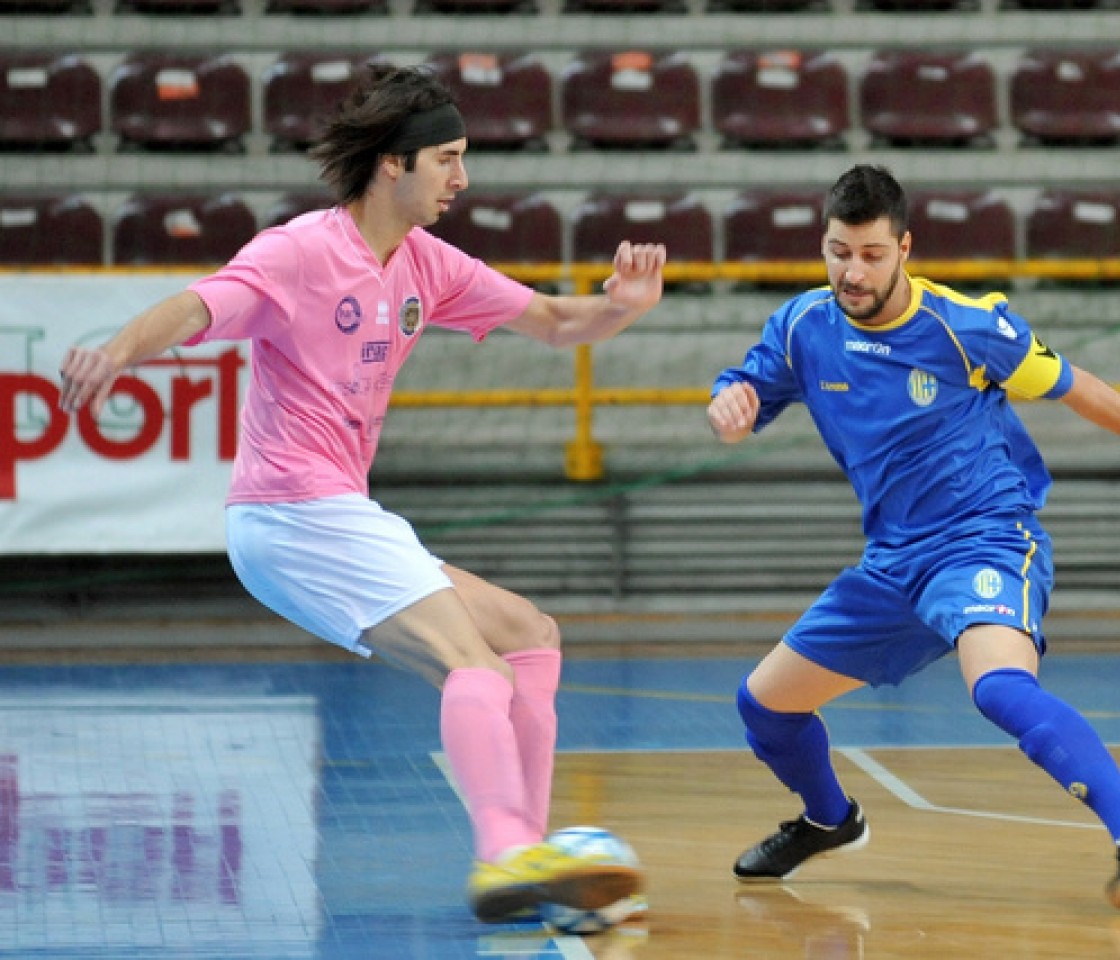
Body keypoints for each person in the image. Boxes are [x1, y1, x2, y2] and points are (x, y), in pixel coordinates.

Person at [59, 65, 666, 923]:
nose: (463, 178)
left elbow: (559, 323)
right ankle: (503, 856)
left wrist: (622, 308)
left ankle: (529, 863)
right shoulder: (301, 251)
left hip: (336, 514)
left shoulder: (426, 262)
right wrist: (116, 354)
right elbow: (198, 308)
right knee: (473, 665)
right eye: (447, 159)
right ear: (393, 164)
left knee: (529, 635)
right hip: (290, 513)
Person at [706, 165, 1120, 910]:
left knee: (1000, 686)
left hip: (983, 538)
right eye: (839, 251)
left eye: (872, 254)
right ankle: (830, 820)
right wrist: (729, 406)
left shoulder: (966, 327)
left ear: (905, 247)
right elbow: (745, 382)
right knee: (765, 707)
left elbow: (1073, 383)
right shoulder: (804, 325)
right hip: (890, 564)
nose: (853, 270)